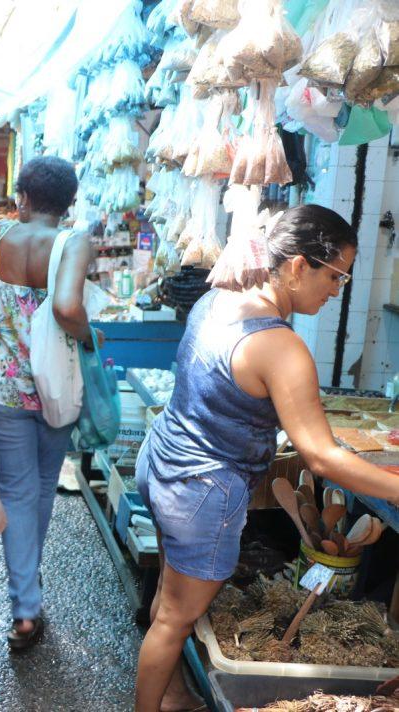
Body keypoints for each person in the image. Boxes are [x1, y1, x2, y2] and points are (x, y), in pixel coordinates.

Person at [135, 204, 399, 712]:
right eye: (336, 275)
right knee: (174, 619)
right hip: (200, 491)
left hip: (162, 461)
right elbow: (321, 457)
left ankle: (169, 694)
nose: (337, 290)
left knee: (168, 603)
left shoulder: (218, 299)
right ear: (299, 265)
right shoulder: (281, 346)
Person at [0, 156, 97, 650]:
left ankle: (25, 599)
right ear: (69, 202)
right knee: (41, 487)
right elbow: (68, 307)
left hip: (2, 389)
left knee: (17, 491)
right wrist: (91, 336)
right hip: (54, 390)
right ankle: (27, 596)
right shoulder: (72, 241)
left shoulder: (3, 235)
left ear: (23, 197)